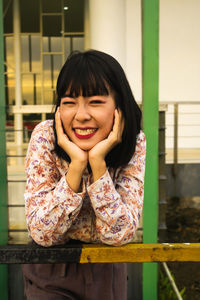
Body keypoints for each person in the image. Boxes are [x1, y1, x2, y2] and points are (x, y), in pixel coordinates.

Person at [22, 50, 146, 300]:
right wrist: (76, 166)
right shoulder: (45, 137)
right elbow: (42, 233)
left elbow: (120, 233)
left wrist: (98, 165)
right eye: (69, 102)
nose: (81, 115)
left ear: (119, 105)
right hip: (50, 268)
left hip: (107, 268)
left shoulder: (134, 141)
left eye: (96, 102)